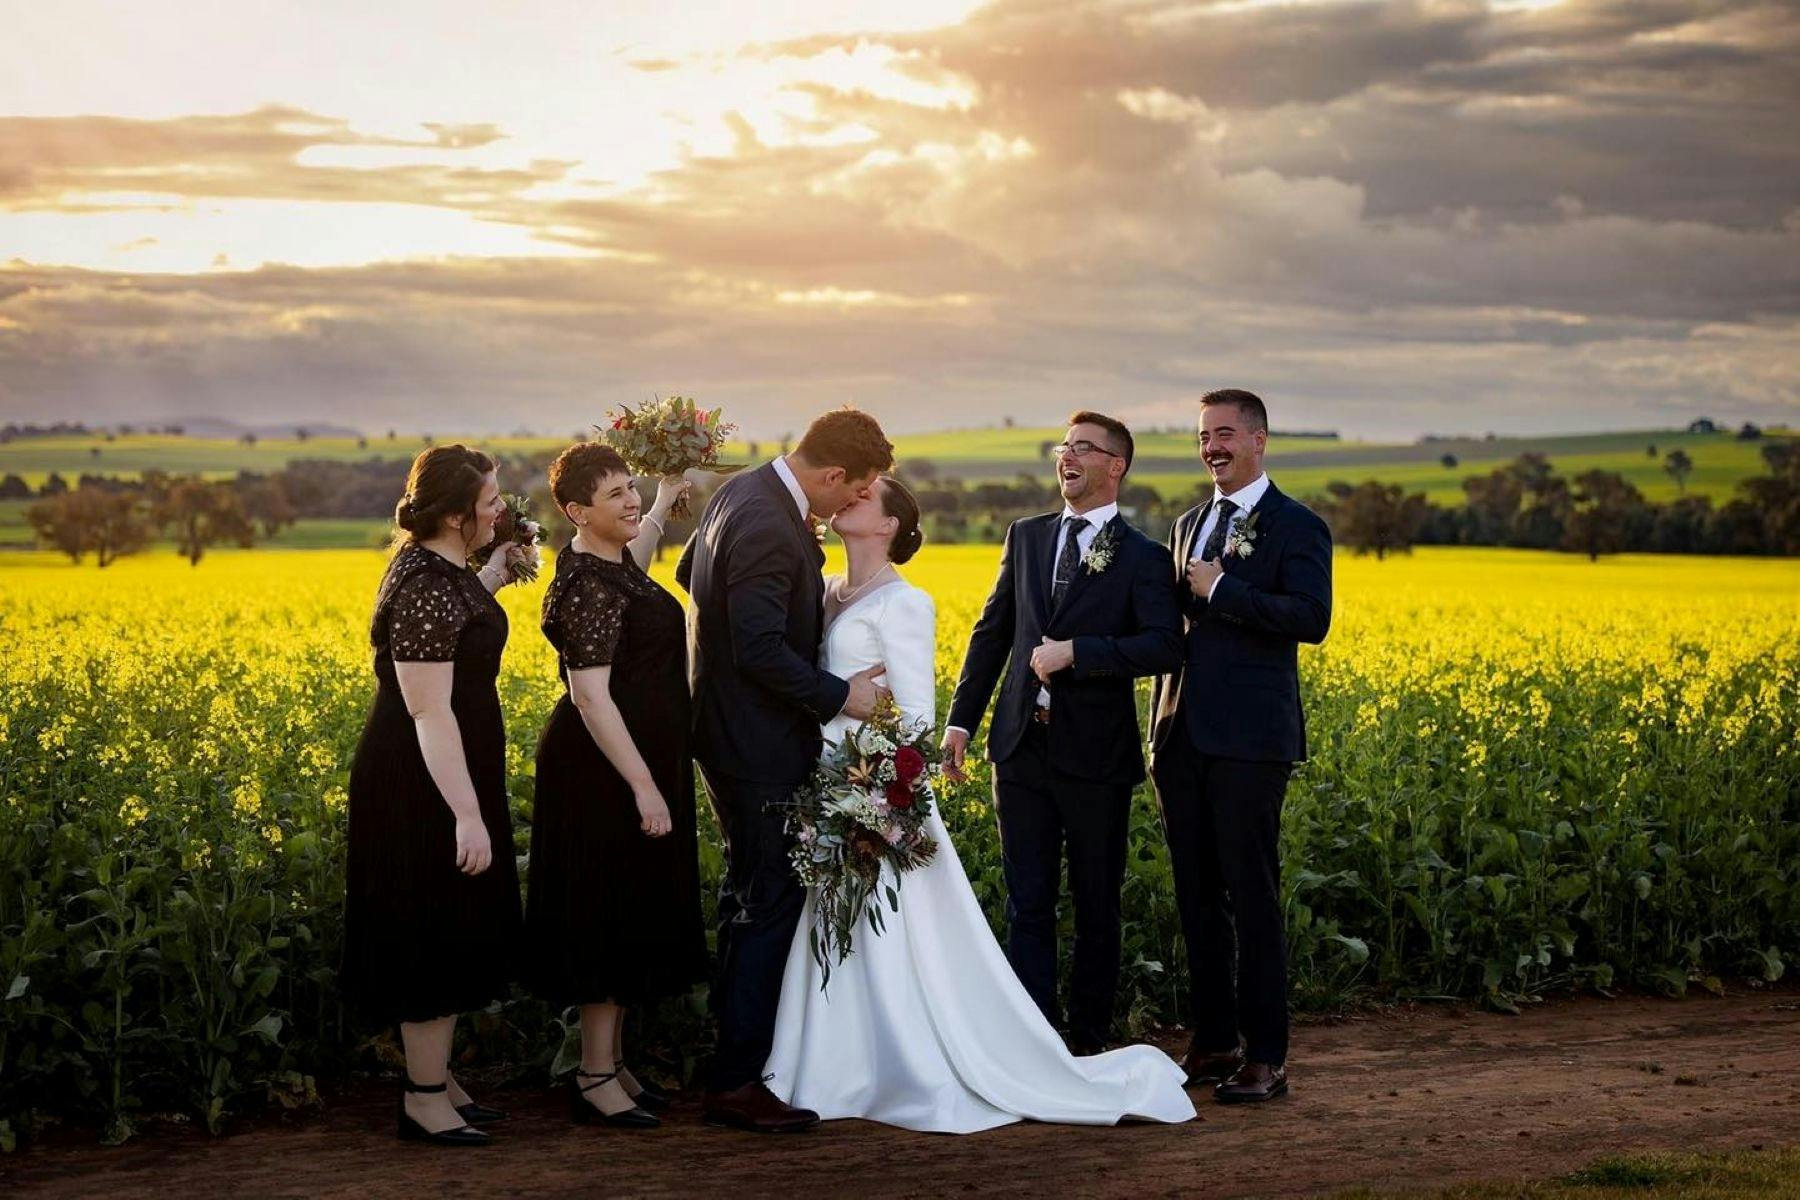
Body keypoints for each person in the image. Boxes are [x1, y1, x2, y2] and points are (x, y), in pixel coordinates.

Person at [765, 477, 1195, 1132]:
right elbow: (991, 635)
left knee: (898, 927)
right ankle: (835, 1059)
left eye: (865, 495)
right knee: (843, 924)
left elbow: (910, 715)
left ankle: (997, 1047)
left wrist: (878, 796)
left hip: (878, 789)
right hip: (831, 783)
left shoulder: (906, 604)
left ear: (888, 526)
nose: (849, 495)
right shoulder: (827, 593)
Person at [675, 407, 895, 1133]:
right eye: (853, 489)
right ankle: (737, 1081)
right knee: (767, 902)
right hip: (758, 746)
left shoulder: (740, 490)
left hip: (725, 733)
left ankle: (729, 1061)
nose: (849, 505)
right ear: (833, 475)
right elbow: (761, 650)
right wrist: (846, 694)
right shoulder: (772, 522)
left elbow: (687, 571)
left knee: (746, 894)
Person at [943, 411, 1184, 1056]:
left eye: (1084, 448)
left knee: (1097, 906)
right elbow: (993, 631)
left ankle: (1087, 1041)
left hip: (1096, 757)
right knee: (1029, 903)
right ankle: (1032, 1043)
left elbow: (1164, 645)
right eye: (1064, 446)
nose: (1067, 457)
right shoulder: (1025, 536)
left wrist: (1081, 651)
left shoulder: (1143, 558)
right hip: (1019, 748)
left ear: (1116, 466)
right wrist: (962, 719)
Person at [1150, 388, 1333, 1104]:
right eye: (1203, 435)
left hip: (1252, 740)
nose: (1211, 446)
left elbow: (1311, 618)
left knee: (1250, 893)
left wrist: (1225, 589)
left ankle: (1267, 1054)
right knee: (1197, 895)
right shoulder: (1188, 522)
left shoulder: (1296, 525)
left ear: (1258, 440)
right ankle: (1214, 1038)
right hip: (1179, 733)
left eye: (1224, 433)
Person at [343, 444, 529, 1146]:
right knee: (430, 926)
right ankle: (423, 1099)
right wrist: (468, 813)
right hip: (419, 780)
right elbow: (427, 710)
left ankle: (440, 1079)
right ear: (455, 515)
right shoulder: (423, 583)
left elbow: (458, 618)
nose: (500, 510)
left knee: (455, 920)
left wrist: (494, 573)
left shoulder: (442, 569)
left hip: (449, 767)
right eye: (489, 501)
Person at [525, 446, 709, 1129]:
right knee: (607, 913)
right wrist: (644, 787)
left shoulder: (615, 565)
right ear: (577, 512)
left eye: (629, 488)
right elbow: (591, 697)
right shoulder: (586, 586)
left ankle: (615, 1062)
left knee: (632, 909)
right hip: (601, 773)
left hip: (635, 764)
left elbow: (647, 545)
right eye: (615, 496)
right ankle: (594, 1073)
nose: (629, 501)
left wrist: (665, 493)